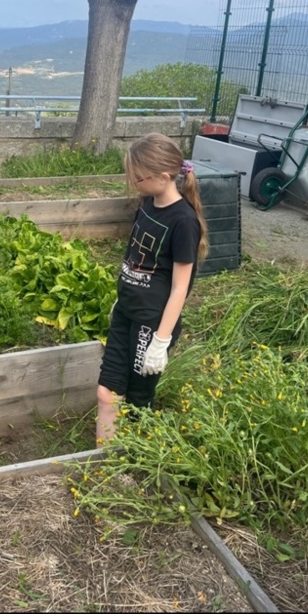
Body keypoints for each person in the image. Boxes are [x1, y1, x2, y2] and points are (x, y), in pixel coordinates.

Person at [97, 133, 208, 445]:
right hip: (125, 313)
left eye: (138, 177)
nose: (134, 183)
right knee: (107, 393)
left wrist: (161, 340)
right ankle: (105, 460)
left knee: (137, 402)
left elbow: (180, 287)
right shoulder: (147, 204)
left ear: (162, 177)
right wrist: (121, 297)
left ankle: (136, 462)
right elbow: (133, 255)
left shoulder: (184, 221)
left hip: (152, 323)